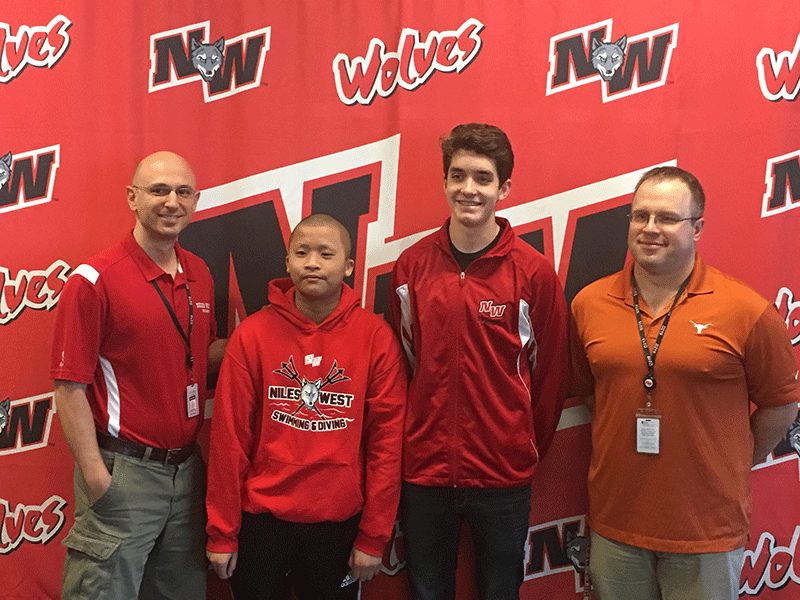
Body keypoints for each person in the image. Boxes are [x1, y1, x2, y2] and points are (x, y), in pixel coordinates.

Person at [570, 166, 799, 600]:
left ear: (697, 228)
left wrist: (731, 463)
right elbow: (587, 389)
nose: (650, 229)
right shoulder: (589, 304)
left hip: (706, 530)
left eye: (667, 218)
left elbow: (781, 405)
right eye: (640, 217)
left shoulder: (745, 310)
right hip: (616, 523)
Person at [388, 123, 569, 600]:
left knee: (498, 591)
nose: (469, 189)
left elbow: (550, 376)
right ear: (445, 181)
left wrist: (521, 445)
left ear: (504, 188)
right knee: (427, 592)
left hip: (502, 475)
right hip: (425, 471)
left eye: (483, 178)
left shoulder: (534, 272)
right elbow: (405, 363)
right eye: (458, 175)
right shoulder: (411, 267)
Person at [51, 151, 226, 600]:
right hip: (123, 471)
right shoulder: (94, 279)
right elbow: (69, 386)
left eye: (183, 192)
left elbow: (196, 354)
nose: (172, 202)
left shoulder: (200, 273)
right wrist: (96, 477)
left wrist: (274, 340)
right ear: (132, 197)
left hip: (187, 471)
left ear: (196, 200)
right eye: (158, 190)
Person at [205, 213, 406, 600]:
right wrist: (223, 532)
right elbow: (229, 441)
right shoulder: (253, 336)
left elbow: (387, 447)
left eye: (325, 254)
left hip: (339, 525)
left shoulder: (375, 338)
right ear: (287, 263)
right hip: (261, 523)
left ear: (348, 266)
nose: (312, 262)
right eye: (302, 252)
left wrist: (373, 536)